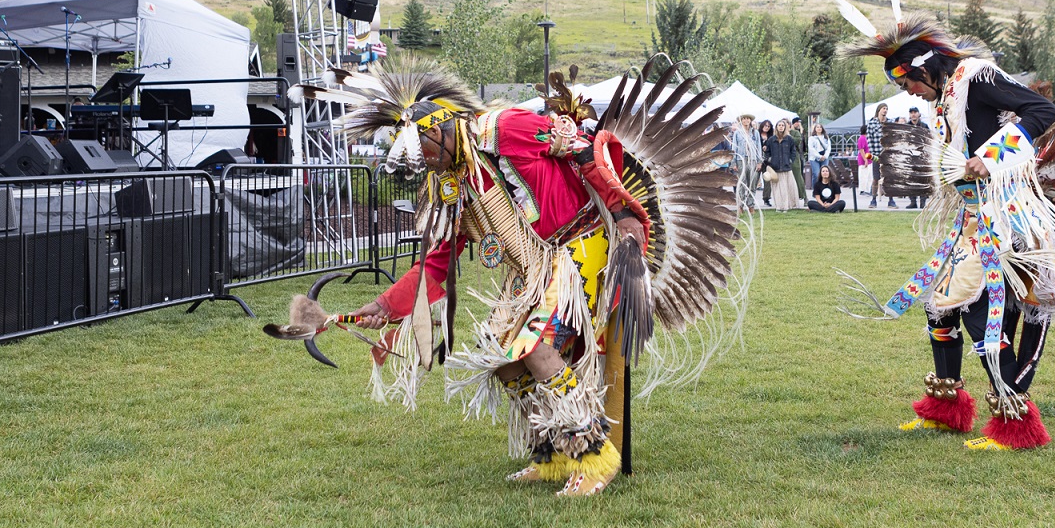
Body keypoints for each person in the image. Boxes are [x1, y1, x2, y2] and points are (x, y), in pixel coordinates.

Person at [275, 59, 749, 496]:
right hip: (535, 265)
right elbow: (438, 258)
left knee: (536, 348)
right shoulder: (451, 182)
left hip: (580, 246)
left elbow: (583, 149)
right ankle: (553, 456)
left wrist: (625, 214)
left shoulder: (506, 128)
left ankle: (593, 457)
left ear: (440, 128)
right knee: (501, 360)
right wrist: (385, 306)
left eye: (422, 147)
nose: (424, 161)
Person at [834, 0, 1055, 451]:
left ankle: (1016, 423)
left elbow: (1042, 112)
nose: (907, 90)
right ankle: (946, 411)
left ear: (925, 66)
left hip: (1010, 216)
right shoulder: (946, 94)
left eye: (908, 80)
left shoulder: (976, 75)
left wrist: (988, 159)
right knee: (939, 311)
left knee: (980, 314)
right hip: (976, 219)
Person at [765, 116, 803, 211]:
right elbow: (767, 152)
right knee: (777, 189)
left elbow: (793, 152)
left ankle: (787, 206)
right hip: (775, 168)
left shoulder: (789, 139)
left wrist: (790, 160)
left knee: (787, 188)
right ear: (776, 127)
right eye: (779, 125)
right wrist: (770, 160)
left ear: (785, 127)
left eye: (783, 125)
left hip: (786, 167)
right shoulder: (771, 139)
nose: (781, 127)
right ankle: (779, 206)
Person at [901, 106, 931, 209]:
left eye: (915, 112)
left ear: (918, 114)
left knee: (923, 179)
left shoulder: (924, 126)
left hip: (922, 155)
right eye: (911, 112)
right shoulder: (906, 127)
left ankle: (923, 201)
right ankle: (913, 201)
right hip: (910, 155)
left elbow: (929, 140)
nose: (913, 114)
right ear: (909, 115)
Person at [730, 113, 762, 209]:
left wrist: (759, 161)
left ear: (750, 120)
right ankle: (740, 205)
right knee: (742, 183)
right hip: (741, 159)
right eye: (744, 119)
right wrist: (733, 162)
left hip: (752, 159)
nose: (746, 121)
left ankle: (750, 205)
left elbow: (758, 147)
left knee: (752, 183)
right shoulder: (737, 133)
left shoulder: (755, 133)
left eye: (747, 119)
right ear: (741, 121)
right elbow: (734, 147)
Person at [866, 104, 894, 208]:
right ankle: (873, 200)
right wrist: (874, 156)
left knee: (889, 178)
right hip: (877, 154)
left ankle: (891, 200)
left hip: (888, 155)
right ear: (879, 110)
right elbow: (870, 140)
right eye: (884, 108)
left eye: (887, 109)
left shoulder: (890, 123)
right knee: (876, 178)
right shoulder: (872, 123)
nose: (885, 111)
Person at [806, 120, 831, 190]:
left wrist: (825, 156)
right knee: (816, 174)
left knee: (825, 174)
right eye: (817, 127)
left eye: (820, 127)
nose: (819, 128)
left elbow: (828, 148)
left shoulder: (826, 137)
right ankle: (816, 190)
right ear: (815, 129)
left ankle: (825, 189)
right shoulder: (812, 138)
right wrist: (819, 156)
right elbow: (811, 149)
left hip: (824, 157)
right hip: (815, 158)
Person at [755, 119, 775, 206]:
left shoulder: (771, 137)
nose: (766, 127)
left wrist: (768, 148)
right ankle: (749, 198)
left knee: (767, 180)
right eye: (765, 125)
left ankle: (766, 198)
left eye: (768, 126)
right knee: (754, 179)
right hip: (757, 160)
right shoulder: (756, 134)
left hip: (767, 161)